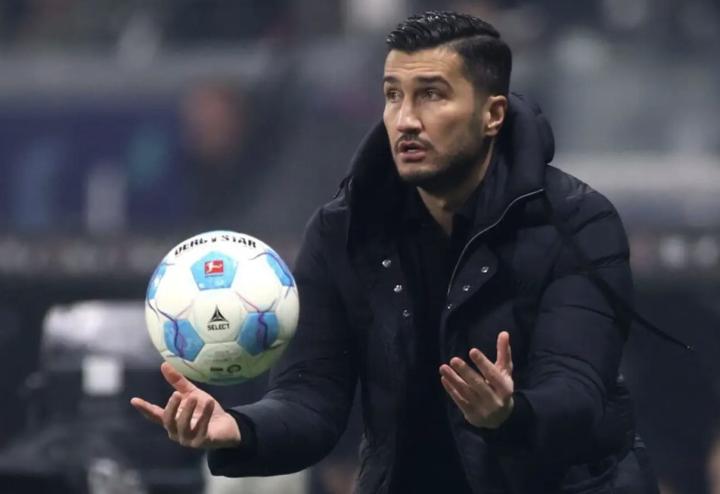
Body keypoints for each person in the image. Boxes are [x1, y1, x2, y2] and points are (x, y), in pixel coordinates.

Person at [131, 11, 659, 493]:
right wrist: (241, 427)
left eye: (431, 95)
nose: (405, 119)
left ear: (492, 114)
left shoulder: (578, 222)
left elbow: (577, 393)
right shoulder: (342, 231)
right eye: (392, 96)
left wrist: (511, 413)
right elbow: (310, 400)